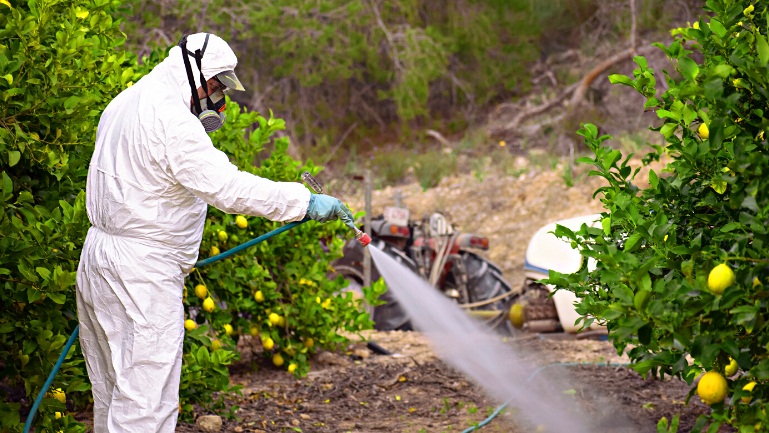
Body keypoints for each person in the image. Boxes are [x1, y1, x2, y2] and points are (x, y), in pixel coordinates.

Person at [75, 32, 354, 433]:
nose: (219, 98)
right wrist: (303, 203)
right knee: (146, 402)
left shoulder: (126, 101)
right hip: (144, 272)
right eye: (217, 87)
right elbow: (229, 188)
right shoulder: (173, 120)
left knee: (114, 391)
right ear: (194, 73)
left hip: (100, 259)